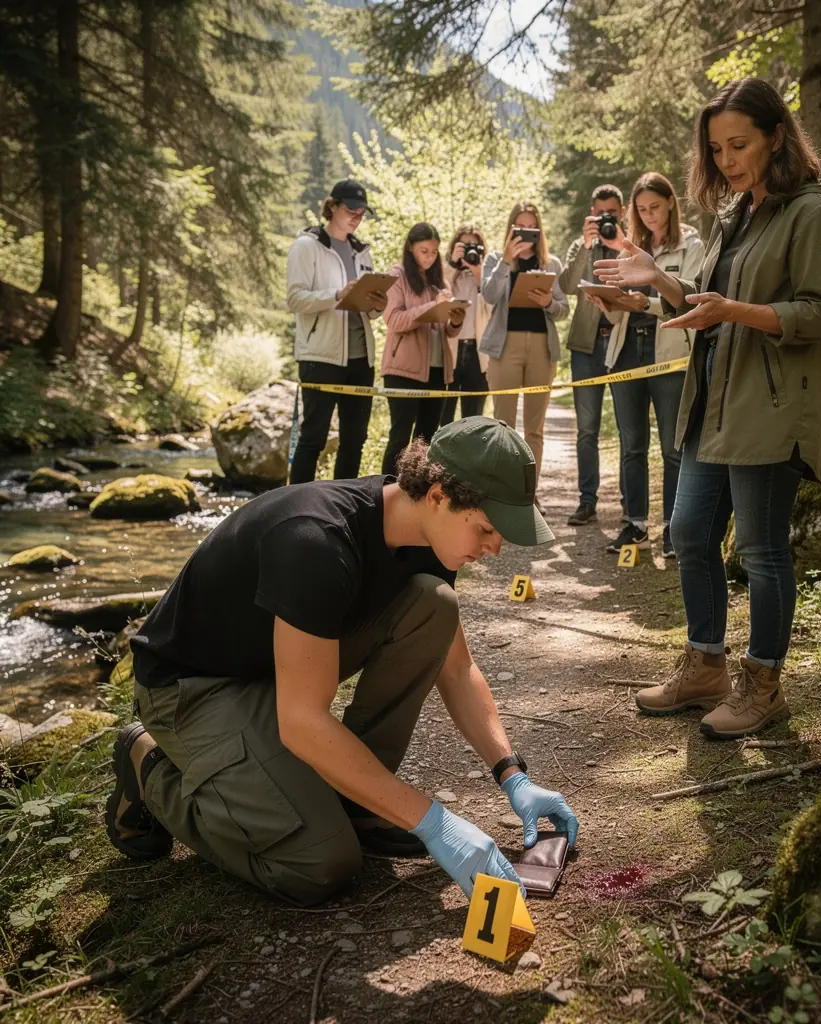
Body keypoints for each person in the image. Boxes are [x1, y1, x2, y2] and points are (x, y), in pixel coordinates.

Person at [106, 417, 580, 906]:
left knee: (433, 605)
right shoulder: (317, 542)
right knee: (317, 864)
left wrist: (512, 774)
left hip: (273, 675)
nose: (495, 547)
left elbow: (457, 668)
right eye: (486, 527)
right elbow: (302, 721)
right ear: (438, 495)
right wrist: (432, 820)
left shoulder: (428, 540)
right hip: (191, 688)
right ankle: (150, 768)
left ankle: (356, 800)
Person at [596, 77, 821, 738]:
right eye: (717, 149)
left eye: (739, 144)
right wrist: (660, 280)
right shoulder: (736, 213)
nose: (728, 159)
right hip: (710, 401)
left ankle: (764, 684)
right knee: (687, 533)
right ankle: (706, 665)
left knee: (762, 551)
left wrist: (733, 311)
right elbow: (706, 300)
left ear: (775, 135)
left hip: (770, 407)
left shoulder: (813, 210)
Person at [590, 173, 703, 558]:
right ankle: (634, 524)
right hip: (626, 352)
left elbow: (690, 297)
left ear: (671, 202)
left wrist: (646, 304)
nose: (649, 214)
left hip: (669, 354)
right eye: (641, 209)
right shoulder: (629, 248)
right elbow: (620, 306)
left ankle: (674, 527)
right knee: (631, 445)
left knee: (673, 446)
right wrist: (609, 302)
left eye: (655, 206)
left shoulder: (692, 244)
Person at [286, 180, 390, 484]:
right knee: (313, 438)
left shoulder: (362, 251)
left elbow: (369, 311)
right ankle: (298, 509)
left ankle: (343, 507)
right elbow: (295, 299)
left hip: (361, 358)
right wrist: (336, 294)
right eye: (351, 210)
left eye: (362, 212)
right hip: (321, 355)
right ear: (332, 207)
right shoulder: (307, 246)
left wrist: (378, 303)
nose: (357, 216)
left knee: (355, 439)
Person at [480, 202, 569, 502]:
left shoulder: (551, 264)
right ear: (511, 229)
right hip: (505, 348)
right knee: (502, 425)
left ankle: (528, 494)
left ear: (539, 230)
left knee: (535, 428)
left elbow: (562, 310)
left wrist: (547, 302)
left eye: (532, 227)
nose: (526, 233)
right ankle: (501, 493)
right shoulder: (495, 259)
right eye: (520, 227)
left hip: (541, 349)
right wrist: (506, 261)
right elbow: (489, 297)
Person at [559, 185, 628, 527]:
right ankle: (587, 501)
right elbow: (568, 286)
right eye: (599, 214)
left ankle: (632, 506)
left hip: (623, 342)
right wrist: (586, 247)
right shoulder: (580, 245)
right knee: (587, 429)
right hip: (586, 346)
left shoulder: (629, 243)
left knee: (629, 428)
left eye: (611, 214)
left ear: (622, 211)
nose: (606, 220)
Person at [380, 223, 465, 475]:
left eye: (433, 252)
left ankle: (416, 499)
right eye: (423, 251)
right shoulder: (396, 276)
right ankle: (386, 493)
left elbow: (447, 330)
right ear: (410, 248)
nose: (429, 257)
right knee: (400, 437)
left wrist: (456, 319)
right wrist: (430, 308)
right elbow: (393, 320)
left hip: (438, 371)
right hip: (402, 370)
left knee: (427, 441)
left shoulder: (440, 282)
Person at [439, 225, 491, 425]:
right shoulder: (446, 270)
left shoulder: (487, 273)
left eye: (474, 246)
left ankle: (468, 456)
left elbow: (493, 308)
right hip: (449, 350)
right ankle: (442, 457)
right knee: (444, 417)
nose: (470, 250)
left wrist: (479, 274)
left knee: (473, 419)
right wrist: (454, 263)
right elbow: (440, 295)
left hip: (478, 354)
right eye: (465, 245)